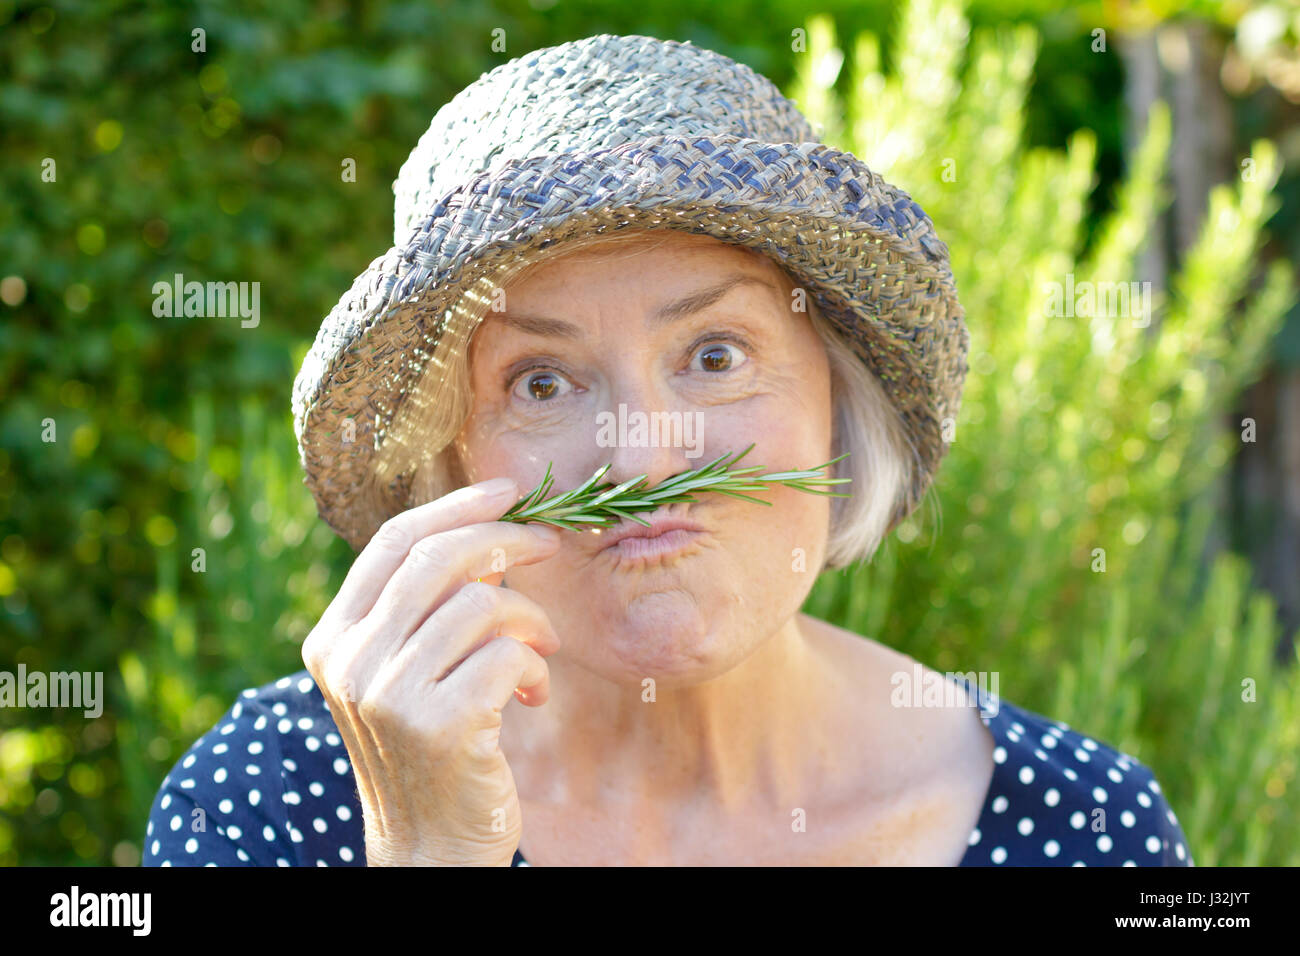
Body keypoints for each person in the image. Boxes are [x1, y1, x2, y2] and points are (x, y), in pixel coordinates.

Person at [143, 34, 1192, 866]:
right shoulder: (276, 802)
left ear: (837, 397)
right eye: (540, 382)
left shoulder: (1084, 827)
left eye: (716, 353)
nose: (642, 461)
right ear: (452, 461)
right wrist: (427, 854)